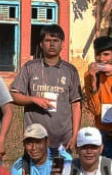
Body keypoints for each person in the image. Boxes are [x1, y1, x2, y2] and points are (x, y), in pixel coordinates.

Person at [11, 25, 82, 153]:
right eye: (48, 41)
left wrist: (75, 135)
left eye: (56, 41)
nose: (52, 44)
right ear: (41, 44)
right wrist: (33, 99)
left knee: (60, 173)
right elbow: (14, 95)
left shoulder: (70, 71)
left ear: (62, 44)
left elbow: (76, 104)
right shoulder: (30, 67)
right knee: (32, 173)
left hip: (63, 140)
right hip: (35, 139)